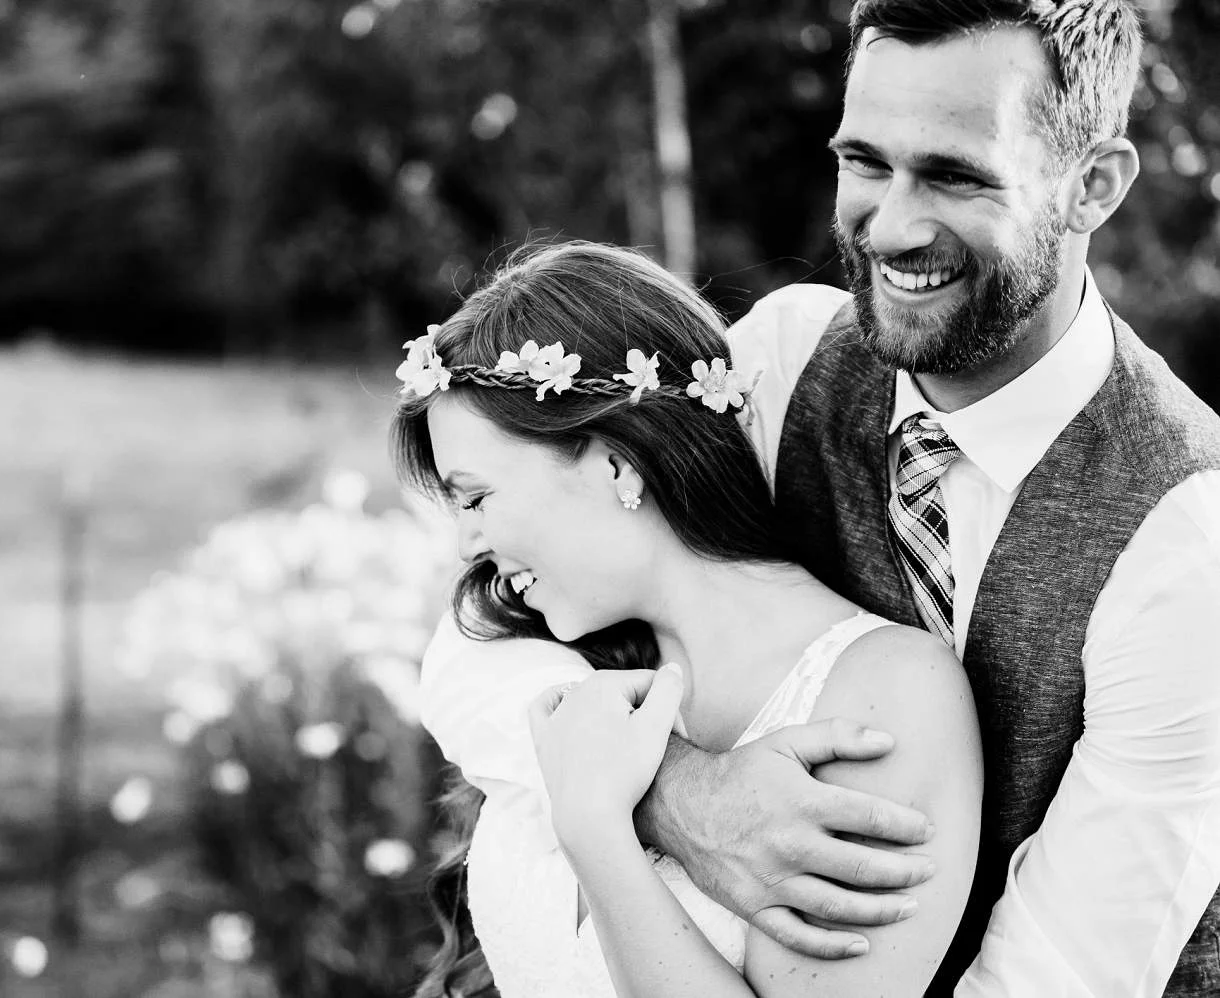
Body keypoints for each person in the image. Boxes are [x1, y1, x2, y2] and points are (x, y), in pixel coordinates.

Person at [418, 1, 1220, 996]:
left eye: (955, 175)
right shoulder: (785, 357)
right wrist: (672, 790)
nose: (894, 225)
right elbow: (480, 640)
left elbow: (1061, 972)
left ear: (1093, 184)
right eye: (866, 162)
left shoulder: (1186, 543)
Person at [394, 240, 983, 997]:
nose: (467, 544)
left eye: (477, 498)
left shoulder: (889, 697)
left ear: (616, 464)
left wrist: (599, 832)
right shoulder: (559, 657)